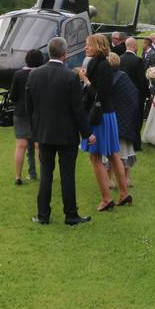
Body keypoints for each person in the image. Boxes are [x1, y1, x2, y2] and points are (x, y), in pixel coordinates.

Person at [26, 37, 91, 226]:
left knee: (46, 174)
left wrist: (36, 128)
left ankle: (43, 215)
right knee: (67, 175)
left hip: (44, 133)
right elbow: (77, 109)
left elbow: (30, 107)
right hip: (66, 134)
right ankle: (70, 215)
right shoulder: (71, 76)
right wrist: (87, 134)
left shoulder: (34, 74)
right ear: (65, 54)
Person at [78, 34, 131, 210]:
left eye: (88, 45)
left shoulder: (100, 65)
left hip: (99, 115)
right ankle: (124, 193)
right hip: (106, 113)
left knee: (96, 157)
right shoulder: (102, 64)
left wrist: (85, 81)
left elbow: (98, 93)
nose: (86, 48)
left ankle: (106, 198)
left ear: (97, 46)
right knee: (112, 154)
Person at [108, 52, 141, 188]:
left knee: (110, 154)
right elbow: (134, 97)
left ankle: (110, 180)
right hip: (125, 120)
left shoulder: (108, 78)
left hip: (112, 120)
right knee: (124, 153)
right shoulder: (124, 77)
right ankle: (125, 179)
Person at [9, 51, 42, 184]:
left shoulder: (18, 74)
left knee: (21, 145)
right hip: (38, 113)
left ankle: (18, 176)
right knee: (38, 145)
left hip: (21, 112)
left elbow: (13, 97)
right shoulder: (41, 74)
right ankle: (44, 175)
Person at [119, 37, 149, 120]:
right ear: (134, 46)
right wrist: (148, 94)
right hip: (136, 96)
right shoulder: (138, 60)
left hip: (123, 94)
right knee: (137, 119)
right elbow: (142, 80)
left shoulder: (119, 59)